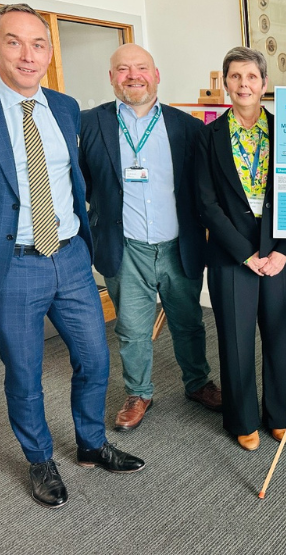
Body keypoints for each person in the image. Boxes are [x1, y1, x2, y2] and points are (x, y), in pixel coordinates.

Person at [0, 3, 144, 509]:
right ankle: (40, 459)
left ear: (49, 51)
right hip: (13, 266)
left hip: (69, 256)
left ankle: (91, 443)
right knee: (24, 374)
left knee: (94, 356)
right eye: (14, 42)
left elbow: (76, 180)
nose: (28, 55)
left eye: (39, 43)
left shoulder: (66, 107)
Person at [79, 44, 221, 432]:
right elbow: (81, 185)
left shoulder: (188, 127)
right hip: (125, 248)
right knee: (131, 328)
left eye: (141, 67)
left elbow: (203, 189)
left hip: (178, 245)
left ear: (156, 74)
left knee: (189, 321)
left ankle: (197, 383)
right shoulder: (90, 123)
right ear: (111, 78)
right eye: (122, 69)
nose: (132, 75)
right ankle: (139, 392)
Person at [197, 46, 286, 451]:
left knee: (278, 336)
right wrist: (246, 253)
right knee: (236, 340)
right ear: (226, 83)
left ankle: (279, 414)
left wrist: (283, 250)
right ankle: (241, 420)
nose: (244, 84)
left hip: (280, 250)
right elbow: (206, 204)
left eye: (252, 77)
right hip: (231, 253)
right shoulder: (207, 137)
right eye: (236, 77)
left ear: (264, 84)